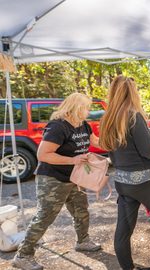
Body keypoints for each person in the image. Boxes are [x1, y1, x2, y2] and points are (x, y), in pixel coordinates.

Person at [13, 93, 101, 270]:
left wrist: (117, 143)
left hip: (74, 177)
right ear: (75, 107)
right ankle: (23, 255)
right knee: (45, 216)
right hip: (52, 179)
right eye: (86, 107)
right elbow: (43, 155)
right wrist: (73, 160)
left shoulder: (83, 125)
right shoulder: (57, 127)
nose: (89, 111)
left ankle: (83, 241)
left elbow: (97, 143)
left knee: (81, 210)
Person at [99, 76, 150, 270]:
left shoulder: (107, 118)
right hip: (146, 181)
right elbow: (148, 150)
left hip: (123, 182)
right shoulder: (133, 116)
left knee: (124, 230)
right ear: (132, 92)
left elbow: (109, 150)